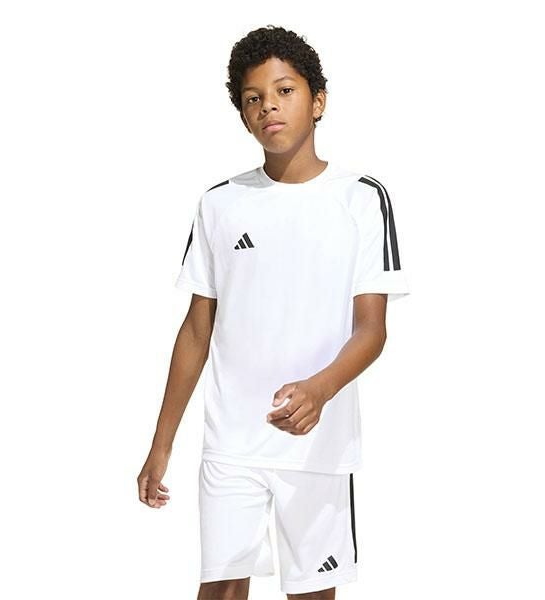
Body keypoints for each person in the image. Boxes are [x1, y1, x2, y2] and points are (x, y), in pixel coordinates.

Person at [137, 25, 411, 600]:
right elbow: (196, 332)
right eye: (253, 98)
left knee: (311, 595)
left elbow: (372, 329)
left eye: (285, 91)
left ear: (318, 101)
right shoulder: (220, 203)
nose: (269, 106)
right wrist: (162, 444)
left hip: (318, 447)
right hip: (231, 442)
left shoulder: (361, 198)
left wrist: (320, 389)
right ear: (243, 116)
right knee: (219, 591)